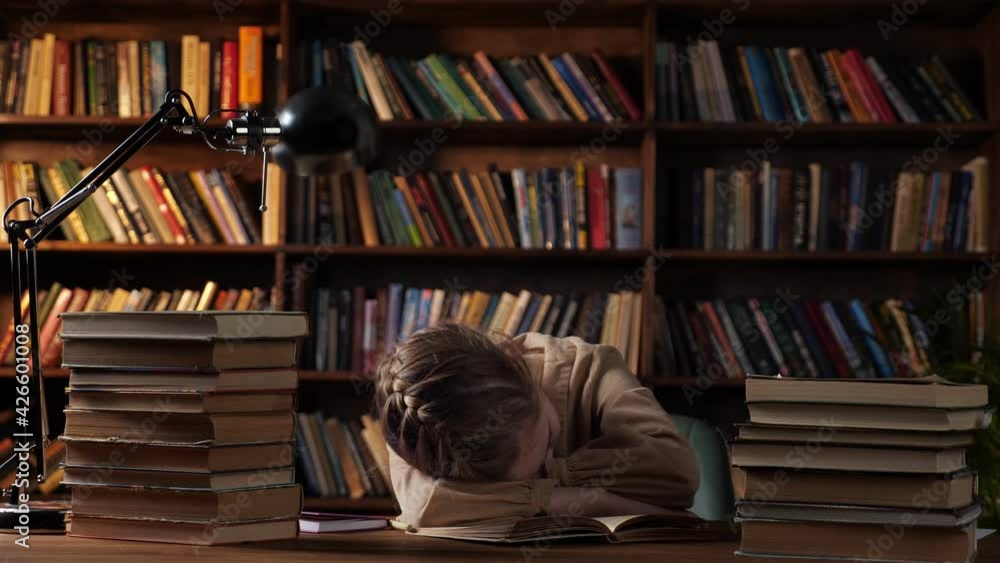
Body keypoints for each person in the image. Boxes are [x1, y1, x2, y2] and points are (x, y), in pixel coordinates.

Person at [374, 323, 699, 528]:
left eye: (547, 441)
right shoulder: (419, 416)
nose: (545, 463)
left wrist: (541, 485)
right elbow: (424, 507)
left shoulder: (591, 366)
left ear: (519, 366)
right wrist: (591, 500)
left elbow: (678, 474)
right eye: (530, 475)